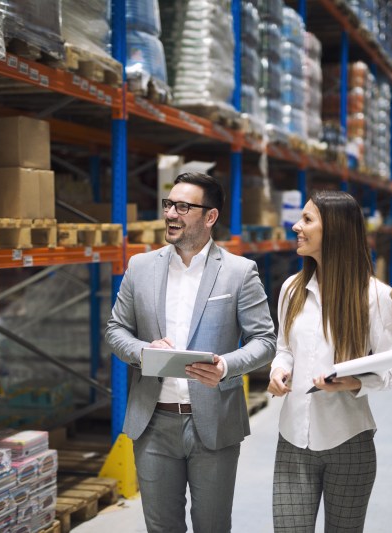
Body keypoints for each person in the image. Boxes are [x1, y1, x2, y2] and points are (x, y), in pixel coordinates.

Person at [105, 171, 276, 533]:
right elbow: (116, 330)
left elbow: (265, 341)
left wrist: (226, 365)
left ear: (209, 216)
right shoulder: (141, 267)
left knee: (212, 526)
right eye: (169, 205)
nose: (170, 214)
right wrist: (143, 350)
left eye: (183, 207)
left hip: (213, 424)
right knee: (161, 527)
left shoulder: (239, 272)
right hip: (153, 422)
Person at [267, 190, 392, 532]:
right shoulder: (291, 290)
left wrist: (354, 382)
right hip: (293, 440)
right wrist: (279, 370)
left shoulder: (376, 297)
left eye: (308, 220)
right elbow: (284, 347)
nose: (297, 226)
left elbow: (389, 373)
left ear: (336, 230)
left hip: (349, 442)